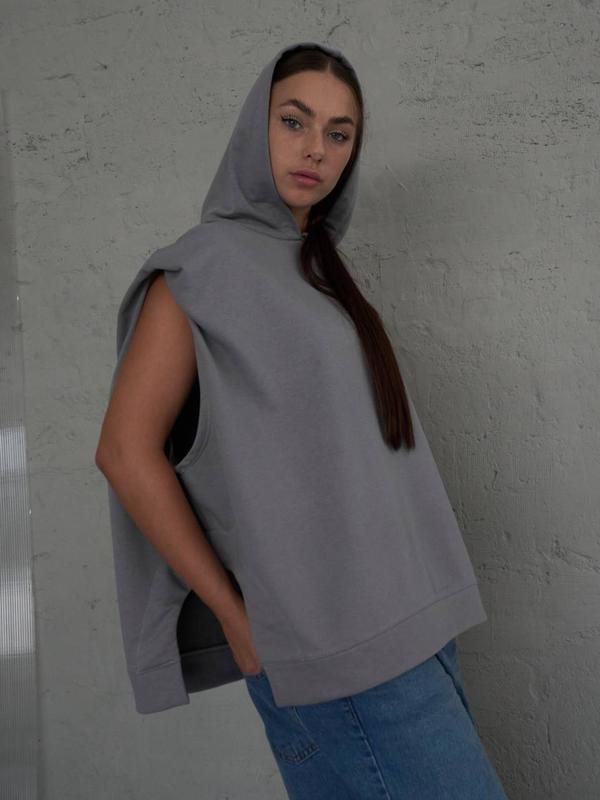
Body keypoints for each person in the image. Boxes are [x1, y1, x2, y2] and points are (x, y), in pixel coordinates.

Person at [96, 41, 508, 798]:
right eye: (294, 121)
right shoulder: (199, 267)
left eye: (339, 133)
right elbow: (125, 451)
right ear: (254, 127)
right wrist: (232, 614)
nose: (316, 148)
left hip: (409, 625)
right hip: (332, 645)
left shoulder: (317, 268)